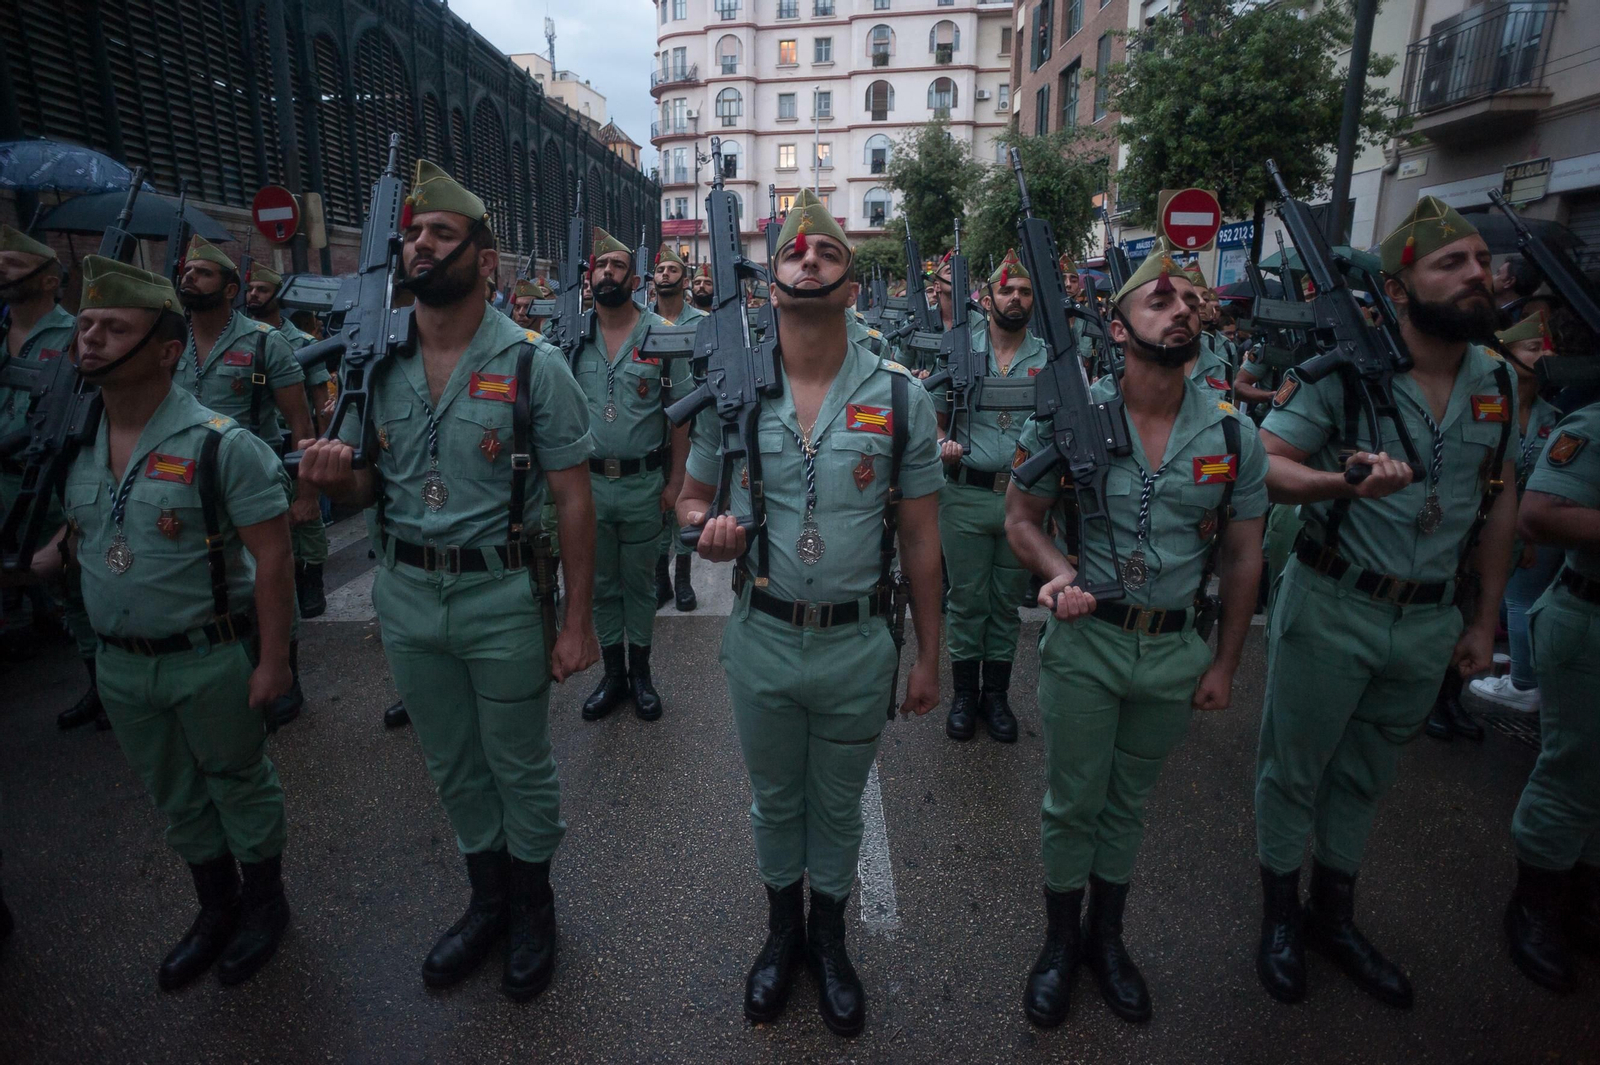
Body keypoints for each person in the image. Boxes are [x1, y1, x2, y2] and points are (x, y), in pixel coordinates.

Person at [298, 159, 599, 1001]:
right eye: (412, 233)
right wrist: (334, 476)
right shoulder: (376, 361)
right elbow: (367, 485)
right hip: (406, 593)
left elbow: (574, 499)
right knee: (454, 762)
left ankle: (533, 907)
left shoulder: (535, 365)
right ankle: (487, 899)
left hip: (502, 594)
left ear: (485, 258)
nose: (420, 245)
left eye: (440, 232)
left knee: (518, 762)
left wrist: (578, 621)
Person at [677, 190, 943, 1037]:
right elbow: (687, 496)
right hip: (762, 632)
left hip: (857, 641)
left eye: (828, 252)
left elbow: (922, 539)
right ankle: (780, 933)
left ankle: (829, 940)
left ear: (851, 285)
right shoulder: (736, 389)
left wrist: (929, 657)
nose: (810, 260)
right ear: (772, 282)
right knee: (773, 800)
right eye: (795, 252)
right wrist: (706, 528)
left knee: (837, 804)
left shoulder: (900, 397)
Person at [1252, 196, 1517, 1009]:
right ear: (1398, 289)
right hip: (1334, 602)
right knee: (1294, 771)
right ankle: (1279, 917)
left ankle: (1333, 916)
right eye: (1452, 263)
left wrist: (1483, 618)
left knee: (1366, 776)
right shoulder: (1344, 372)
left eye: (1481, 261)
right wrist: (1340, 482)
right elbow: (1264, 463)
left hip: (1428, 619)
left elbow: (1500, 501)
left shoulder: (1500, 380)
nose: (1476, 274)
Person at [1006, 252, 1266, 1027]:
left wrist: (1225, 662)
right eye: (1159, 299)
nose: (1180, 309)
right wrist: (1060, 570)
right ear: (1117, 328)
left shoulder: (1233, 433)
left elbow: (1244, 556)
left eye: (1190, 299)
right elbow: (1019, 517)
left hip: (1174, 648)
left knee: (1127, 804)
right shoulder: (1071, 414)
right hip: (1087, 641)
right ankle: (1060, 942)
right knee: (1073, 801)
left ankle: (1107, 937)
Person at [25, 255, 296, 988]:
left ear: (167, 349)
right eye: (86, 324)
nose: (90, 339)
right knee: (174, 792)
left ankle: (265, 904)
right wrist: (49, 554)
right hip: (121, 662)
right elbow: (86, 527)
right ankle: (215, 906)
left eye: (115, 328)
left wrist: (274, 662)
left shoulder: (220, 444)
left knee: (237, 781)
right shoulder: (75, 443)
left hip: (207, 655)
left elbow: (273, 558)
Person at [176, 235, 318, 728]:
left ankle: (284, 671)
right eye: (187, 272)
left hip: (254, 479)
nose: (190, 278)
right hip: (188, 483)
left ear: (231, 288)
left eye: (203, 273)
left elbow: (300, 421)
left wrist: (306, 492)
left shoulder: (263, 341)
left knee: (269, 573)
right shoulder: (169, 343)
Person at [1503, 396, 1600, 993]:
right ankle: (1535, 906)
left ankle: (1583, 899)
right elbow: (1538, 514)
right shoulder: (1592, 424)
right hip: (1589, 618)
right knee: (1573, 772)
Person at [572, 228, 688, 723]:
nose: (607, 273)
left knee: (640, 585)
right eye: (600, 266)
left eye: (617, 266)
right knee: (601, 584)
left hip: (643, 483)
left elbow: (680, 416)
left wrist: (676, 483)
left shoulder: (660, 335)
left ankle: (641, 675)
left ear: (635, 280)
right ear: (588, 277)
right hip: (589, 485)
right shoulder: (572, 337)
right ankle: (613, 675)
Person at [935, 251, 1048, 744]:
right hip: (965, 495)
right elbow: (935, 418)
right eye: (1007, 291)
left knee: (1004, 604)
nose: (1016, 299)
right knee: (966, 600)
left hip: (1023, 501)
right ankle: (964, 695)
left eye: (1024, 292)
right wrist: (942, 444)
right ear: (987, 299)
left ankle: (996, 696)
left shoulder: (1048, 357)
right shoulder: (960, 351)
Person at [0, 224, 103, 728]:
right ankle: (95, 684)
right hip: (6, 485)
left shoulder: (76, 336)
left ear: (48, 279)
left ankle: (109, 687)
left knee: (84, 587)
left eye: (14, 266)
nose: (3, 273)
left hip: (58, 477)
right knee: (59, 593)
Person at [1465, 312, 1564, 714]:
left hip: (1533, 530)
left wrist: (1530, 536)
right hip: (1483, 525)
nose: (1545, 357)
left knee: (1523, 600)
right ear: (1504, 354)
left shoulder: (1553, 416)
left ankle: (1523, 682)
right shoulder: (1486, 403)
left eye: (1548, 349)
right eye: (1533, 348)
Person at [244, 263, 332, 619]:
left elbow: (320, 403)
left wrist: (324, 445)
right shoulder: (244, 339)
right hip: (261, 445)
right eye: (250, 289)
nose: (253, 295)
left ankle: (313, 579)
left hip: (297, 441)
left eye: (262, 290)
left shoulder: (304, 343)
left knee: (305, 515)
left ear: (278, 296)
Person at [645, 243, 706, 612]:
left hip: (692, 423)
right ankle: (660, 578)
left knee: (683, 495)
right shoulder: (641, 322)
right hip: (650, 423)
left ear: (685, 280)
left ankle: (683, 577)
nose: (665, 274)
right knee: (656, 500)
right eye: (660, 270)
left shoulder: (701, 324)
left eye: (672, 270)